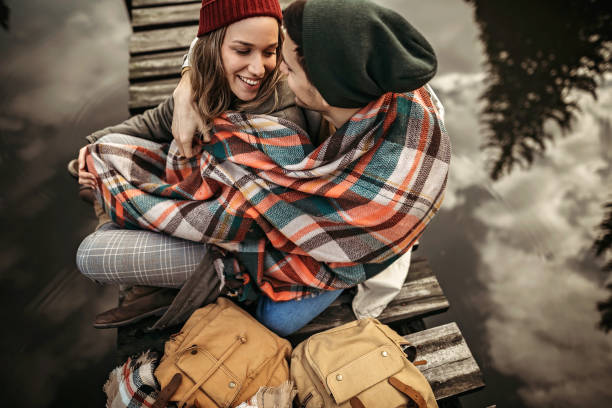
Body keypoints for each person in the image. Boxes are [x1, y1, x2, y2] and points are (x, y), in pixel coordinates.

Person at [76, 0, 450, 336]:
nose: (274, 69)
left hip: (261, 241)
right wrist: (188, 82)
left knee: (276, 321)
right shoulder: (333, 88)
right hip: (240, 215)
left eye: (281, 59)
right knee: (113, 199)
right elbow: (229, 34)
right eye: (277, 55)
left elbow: (260, 217)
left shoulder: (382, 151)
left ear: (323, 84)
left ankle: (237, 282)